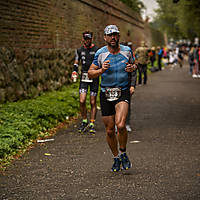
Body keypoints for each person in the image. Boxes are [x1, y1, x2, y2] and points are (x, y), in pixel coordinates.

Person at [88, 25, 137, 172]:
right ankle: (116, 157)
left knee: (120, 125)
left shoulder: (127, 51)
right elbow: (90, 73)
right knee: (109, 131)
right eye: (110, 35)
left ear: (119, 36)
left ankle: (123, 152)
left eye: (115, 35)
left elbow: (135, 65)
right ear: (105, 38)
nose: (113, 37)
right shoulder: (100, 53)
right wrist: (101, 70)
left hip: (122, 91)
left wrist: (132, 69)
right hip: (106, 93)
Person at [71, 31, 99, 134]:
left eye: (89, 39)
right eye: (85, 39)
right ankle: (84, 121)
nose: (87, 41)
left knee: (92, 101)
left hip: (94, 78)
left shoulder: (96, 50)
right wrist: (74, 71)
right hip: (84, 77)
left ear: (92, 39)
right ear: (83, 39)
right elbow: (76, 62)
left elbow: (99, 62)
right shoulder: (79, 50)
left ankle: (92, 123)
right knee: (82, 100)